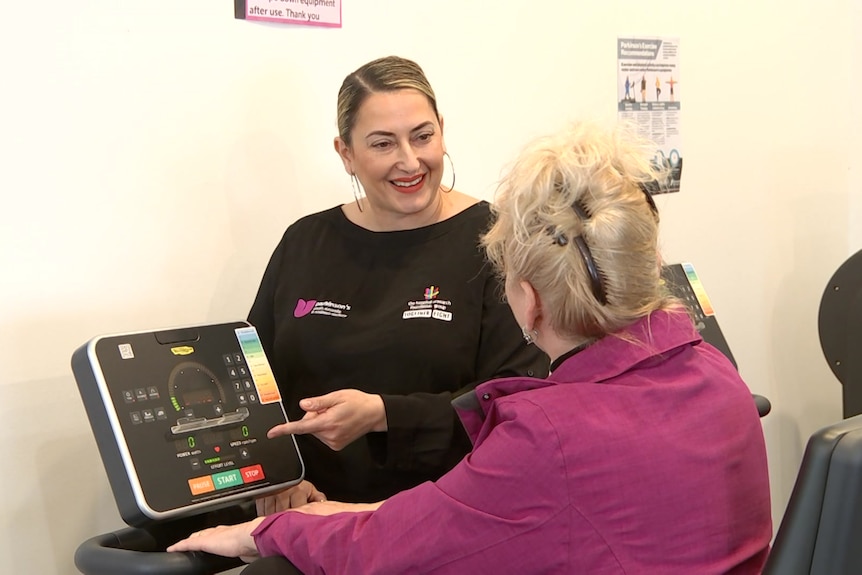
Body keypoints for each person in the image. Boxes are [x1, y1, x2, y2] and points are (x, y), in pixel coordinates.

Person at [169, 121, 773, 574]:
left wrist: (266, 533)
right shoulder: (715, 378)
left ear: (529, 299)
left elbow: (386, 549)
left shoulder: (550, 434)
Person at [245, 55, 548, 510]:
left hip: (444, 514)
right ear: (345, 153)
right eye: (383, 144)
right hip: (308, 511)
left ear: (442, 130)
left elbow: (514, 404)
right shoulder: (304, 242)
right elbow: (253, 381)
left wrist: (385, 415)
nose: (410, 161)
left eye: (423, 137)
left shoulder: (498, 241)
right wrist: (277, 480)